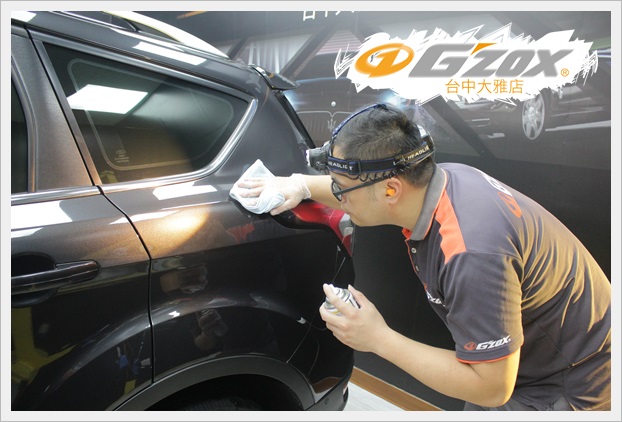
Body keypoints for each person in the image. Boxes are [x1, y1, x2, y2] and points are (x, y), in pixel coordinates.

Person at [235, 103, 611, 411]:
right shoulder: (444, 179)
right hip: (525, 359)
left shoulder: (470, 254)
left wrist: (377, 338)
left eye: (341, 187)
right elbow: (362, 191)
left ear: (391, 190)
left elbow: (493, 388)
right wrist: (300, 184)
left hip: (568, 380)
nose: (337, 195)